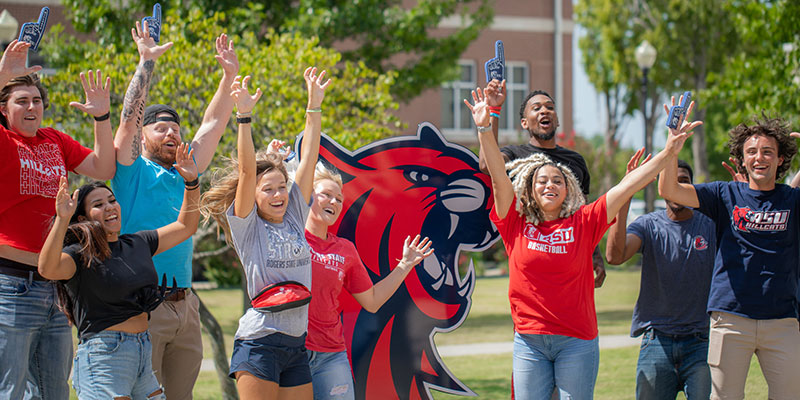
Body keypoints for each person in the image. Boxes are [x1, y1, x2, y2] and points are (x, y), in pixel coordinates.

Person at [465, 88, 699, 399]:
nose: (550, 184)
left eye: (557, 180)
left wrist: (669, 149)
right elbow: (496, 172)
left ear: (569, 189)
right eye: (542, 181)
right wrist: (484, 127)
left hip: (576, 341)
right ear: (529, 190)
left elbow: (630, 183)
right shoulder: (514, 223)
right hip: (529, 342)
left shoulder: (585, 221)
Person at [110, 19, 238, 398]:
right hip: (143, 306)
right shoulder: (130, 170)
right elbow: (127, 119)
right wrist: (145, 63)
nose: (171, 134)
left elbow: (214, 122)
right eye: (161, 128)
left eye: (176, 129)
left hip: (186, 306)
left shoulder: (187, 169)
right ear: (144, 134)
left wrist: (228, 77)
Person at [200, 68, 330, 399]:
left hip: (296, 345)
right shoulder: (248, 226)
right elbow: (246, 171)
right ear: (254, 197)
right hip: (260, 343)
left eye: (281, 187)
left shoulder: (295, 213)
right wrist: (244, 117)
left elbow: (310, 156)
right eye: (267, 189)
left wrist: (314, 106)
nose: (277, 195)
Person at [37, 141, 199, 399]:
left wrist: (191, 183)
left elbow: (185, 226)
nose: (110, 207)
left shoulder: (138, 243)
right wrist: (61, 219)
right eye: (98, 205)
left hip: (142, 351)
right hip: (104, 357)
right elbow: (47, 268)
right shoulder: (79, 255)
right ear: (83, 219)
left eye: (112, 200)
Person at [0, 39, 116, 398]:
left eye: (37, 101)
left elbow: (103, 166)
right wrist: (4, 73)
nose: (32, 107)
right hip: (10, 285)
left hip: (55, 287)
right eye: (22, 101)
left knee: (54, 391)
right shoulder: (4, 140)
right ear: (4, 109)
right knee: (10, 389)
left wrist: (101, 117)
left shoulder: (55, 140)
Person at [659, 109, 800, 400]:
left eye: (767, 152)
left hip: (783, 321)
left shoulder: (792, 199)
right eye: (752, 152)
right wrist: (671, 147)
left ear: (781, 158)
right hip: (731, 318)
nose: (759, 157)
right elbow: (669, 189)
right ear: (742, 158)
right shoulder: (724, 194)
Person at [302, 162, 434, 400]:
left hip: (331, 355)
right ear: (308, 196)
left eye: (339, 199)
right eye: (326, 195)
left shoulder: (345, 249)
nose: (334, 202)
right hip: (292, 353)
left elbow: (372, 301)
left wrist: (404, 265)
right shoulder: (291, 238)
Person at [606, 154, 714, 400]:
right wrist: (625, 196)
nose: (677, 187)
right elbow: (615, 255)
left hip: (701, 341)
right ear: (662, 188)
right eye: (671, 182)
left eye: (684, 181)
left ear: (691, 188)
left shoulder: (710, 225)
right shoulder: (648, 225)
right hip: (656, 342)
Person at [478, 80, 606, 288]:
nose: (544, 111)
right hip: (531, 251)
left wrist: (596, 255)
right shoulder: (515, 155)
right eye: (536, 108)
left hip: (568, 251)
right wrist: (494, 111)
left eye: (550, 108)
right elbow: (486, 165)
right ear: (524, 123)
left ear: (557, 121)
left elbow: (584, 211)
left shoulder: (575, 161)